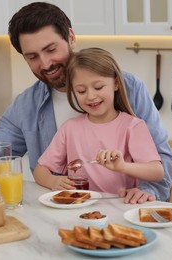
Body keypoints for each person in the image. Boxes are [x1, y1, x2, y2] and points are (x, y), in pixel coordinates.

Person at [0, 2, 172, 203]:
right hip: (64, 212)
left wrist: (147, 191)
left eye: (51, 49)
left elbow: (162, 161)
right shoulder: (26, 105)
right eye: (32, 56)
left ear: (71, 37)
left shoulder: (128, 86)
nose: (45, 64)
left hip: (126, 209)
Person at [34, 48, 164, 193]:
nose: (90, 96)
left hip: (121, 209)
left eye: (98, 87)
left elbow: (157, 172)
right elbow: (40, 170)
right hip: (79, 210)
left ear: (115, 84)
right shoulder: (70, 128)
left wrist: (123, 167)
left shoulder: (132, 126)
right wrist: (53, 181)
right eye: (81, 91)